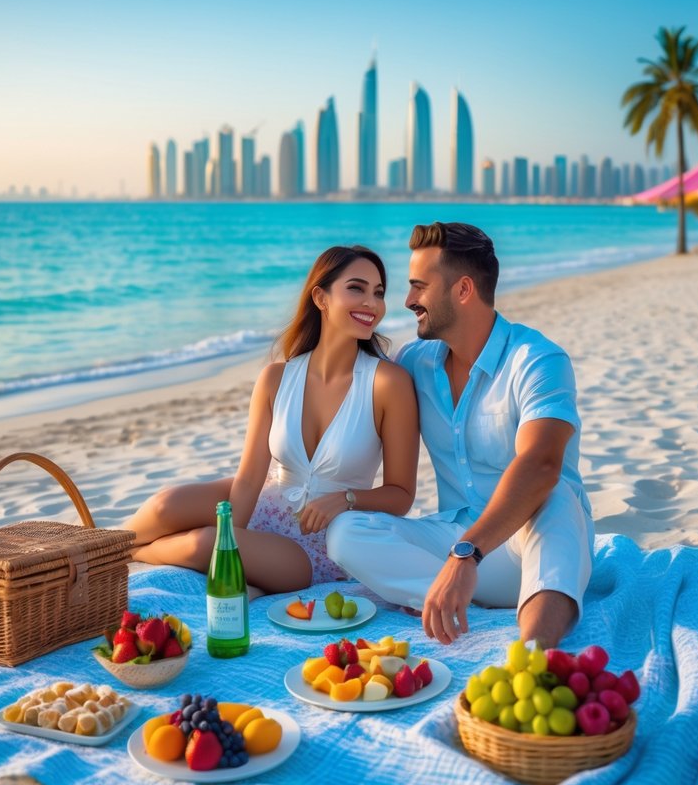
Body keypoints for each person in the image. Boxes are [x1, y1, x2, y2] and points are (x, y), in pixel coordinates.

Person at [326, 222, 595, 650]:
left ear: (464, 290)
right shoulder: (414, 363)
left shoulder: (537, 360)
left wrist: (466, 554)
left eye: (419, 287)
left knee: (558, 491)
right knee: (345, 532)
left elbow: (540, 464)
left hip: (531, 546)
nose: (408, 300)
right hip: (455, 547)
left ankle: (535, 652)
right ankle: (446, 600)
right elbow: (346, 387)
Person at [123, 245, 419, 594]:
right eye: (357, 288)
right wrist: (237, 536)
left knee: (203, 544)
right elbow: (250, 478)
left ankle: (130, 554)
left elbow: (401, 495)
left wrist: (346, 499)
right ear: (321, 298)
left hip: (322, 544)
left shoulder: (388, 383)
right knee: (164, 505)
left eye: (379, 292)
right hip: (269, 500)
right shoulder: (276, 378)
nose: (372, 303)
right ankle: (95, 546)